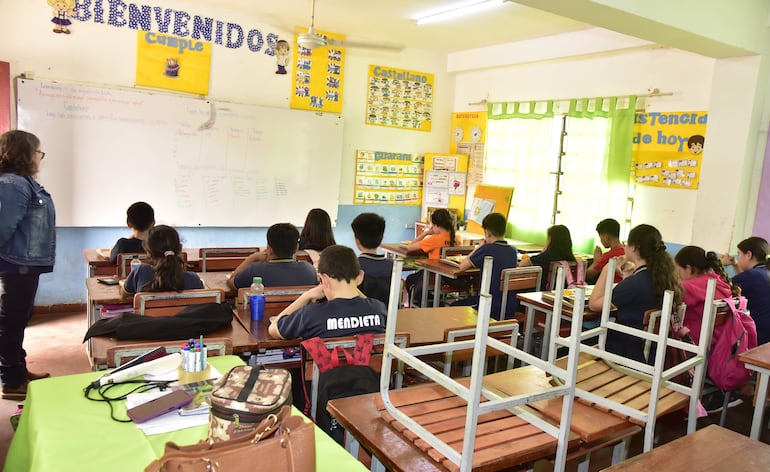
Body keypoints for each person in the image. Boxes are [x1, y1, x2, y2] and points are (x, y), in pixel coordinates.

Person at [0, 130, 56, 400]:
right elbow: (2, 228)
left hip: (23, 264)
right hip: (14, 265)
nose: (39, 158)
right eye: (37, 152)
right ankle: (11, 380)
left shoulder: (22, 183)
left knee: (19, 319)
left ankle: (18, 371)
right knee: (11, 322)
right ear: (24, 153)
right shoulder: (13, 185)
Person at [589, 224, 682, 364]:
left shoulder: (635, 283)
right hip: (652, 350)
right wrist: (628, 277)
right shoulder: (662, 276)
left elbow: (594, 304)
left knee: (585, 339)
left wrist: (608, 268)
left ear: (634, 248)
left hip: (628, 350)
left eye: (626, 243)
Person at [269, 245, 387, 340]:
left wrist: (307, 295)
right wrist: (353, 288)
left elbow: (273, 329)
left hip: (326, 370)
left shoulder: (310, 314)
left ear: (323, 279)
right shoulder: (379, 309)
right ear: (360, 277)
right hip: (369, 370)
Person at [454, 213, 518, 320]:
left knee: (454, 307)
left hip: (489, 305)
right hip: (510, 305)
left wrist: (479, 247)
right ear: (504, 231)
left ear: (487, 232)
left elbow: (462, 267)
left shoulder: (487, 249)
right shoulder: (513, 251)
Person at [674, 246, 735, 346]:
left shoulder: (689, 287)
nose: (678, 276)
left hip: (695, 342)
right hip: (718, 340)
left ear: (689, 268)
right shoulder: (719, 282)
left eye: (679, 271)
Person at [230, 223, 318, 289]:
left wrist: (253, 257)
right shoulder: (309, 270)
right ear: (296, 248)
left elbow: (231, 282)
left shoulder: (255, 270)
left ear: (269, 249)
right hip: (300, 313)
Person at [121, 225, 203, 294]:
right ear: (180, 249)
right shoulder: (193, 279)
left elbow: (125, 294)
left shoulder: (141, 271)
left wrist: (123, 283)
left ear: (148, 252)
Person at [404, 208, 462, 304]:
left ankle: (416, 304)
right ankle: (431, 301)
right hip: (451, 277)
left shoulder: (434, 239)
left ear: (436, 225)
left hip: (434, 276)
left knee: (410, 279)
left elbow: (409, 247)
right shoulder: (457, 238)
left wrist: (426, 233)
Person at [720, 237, 770, 345]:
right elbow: (744, 282)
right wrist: (735, 264)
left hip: (758, 336)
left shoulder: (752, 275)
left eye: (739, 254)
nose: (738, 258)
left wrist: (720, 264)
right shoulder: (764, 272)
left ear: (748, 255)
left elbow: (721, 286)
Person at [351, 212, 393, 305]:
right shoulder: (392, 266)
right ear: (381, 238)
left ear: (357, 240)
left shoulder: (352, 266)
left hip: (361, 316)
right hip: (387, 316)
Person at [519, 224, 575, 290]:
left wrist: (544, 250)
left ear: (550, 239)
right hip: (563, 293)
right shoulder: (570, 257)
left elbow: (522, 264)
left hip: (543, 292)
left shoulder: (546, 256)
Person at [586, 218, 625, 284]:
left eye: (600, 237)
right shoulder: (627, 250)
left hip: (611, 290)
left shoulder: (609, 255)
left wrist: (596, 261)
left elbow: (588, 275)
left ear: (606, 237)